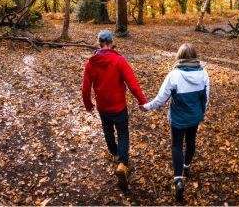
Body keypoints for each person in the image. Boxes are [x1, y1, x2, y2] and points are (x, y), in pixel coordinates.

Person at [142, 43, 210, 201]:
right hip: (195, 117)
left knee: (177, 145)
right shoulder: (204, 73)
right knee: (191, 141)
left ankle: (178, 180)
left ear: (180, 57)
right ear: (194, 56)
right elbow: (206, 97)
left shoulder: (174, 75)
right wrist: (202, 111)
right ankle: (186, 167)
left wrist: (147, 107)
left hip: (178, 119)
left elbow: (161, 99)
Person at [82, 30, 147, 188]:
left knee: (108, 130)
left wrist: (88, 104)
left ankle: (114, 152)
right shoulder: (119, 60)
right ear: (111, 43)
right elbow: (132, 83)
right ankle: (122, 164)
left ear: (99, 43)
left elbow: (85, 88)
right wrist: (142, 101)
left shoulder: (91, 63)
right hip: (118, 106)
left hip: (103, 107)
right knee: (123, 133)